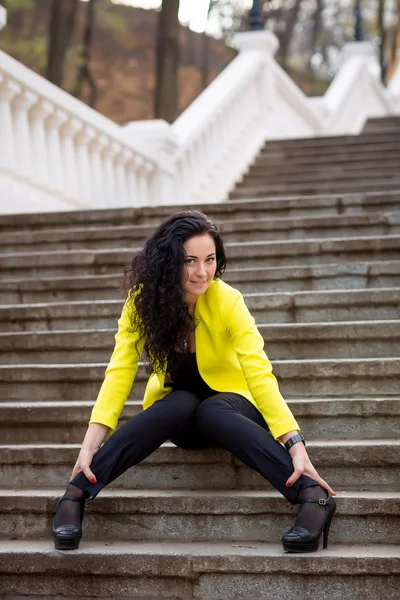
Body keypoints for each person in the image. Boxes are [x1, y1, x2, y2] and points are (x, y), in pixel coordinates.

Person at [52, 210, 337, 553]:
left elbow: (260, 373)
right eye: (190, 261)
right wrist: (90, 443)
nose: (203, 272)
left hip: (234, 411)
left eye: (210, 259)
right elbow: (119, 371)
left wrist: (295, 443)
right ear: (169, 262)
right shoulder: (143, 303)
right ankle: (77, 490)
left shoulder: (228, 300)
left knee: (213, 409)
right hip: (183, 421)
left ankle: (310, 493)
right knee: (182, 401)